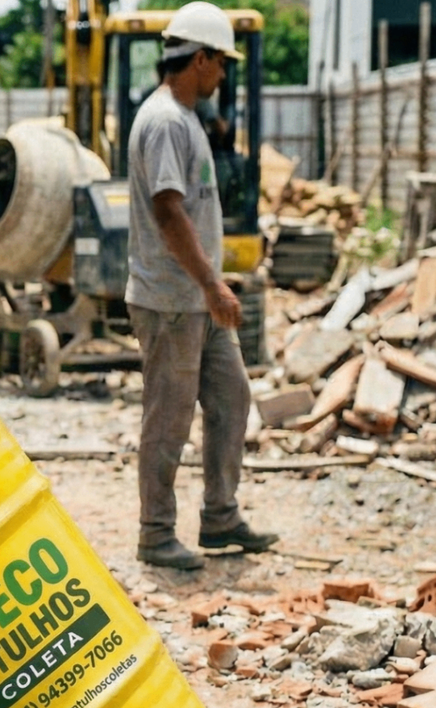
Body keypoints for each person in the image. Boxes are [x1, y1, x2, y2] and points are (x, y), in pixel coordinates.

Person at [125, 2, 276, 570]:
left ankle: (219, 516)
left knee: (232, 396)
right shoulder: (165, 121)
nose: (225, 74)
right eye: (221, 62)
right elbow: (168, 212)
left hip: (195, 298)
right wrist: (212, 284)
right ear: (201, 58)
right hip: (172, 300)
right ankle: (155, 532)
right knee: (168, 416)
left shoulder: (185, 117)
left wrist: (210, 286)